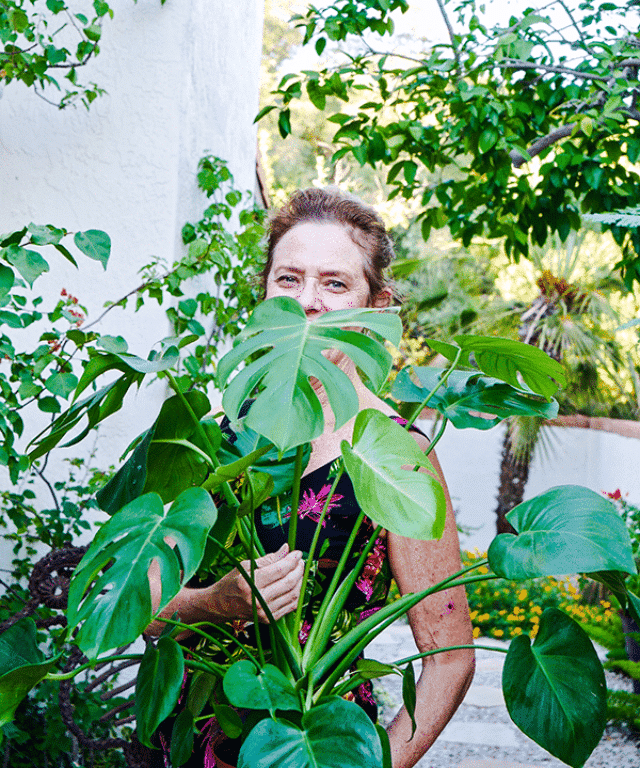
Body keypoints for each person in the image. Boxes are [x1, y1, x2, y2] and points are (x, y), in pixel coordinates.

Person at [146, 187, 475, 768]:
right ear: (266, 295)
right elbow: (140, 609)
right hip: (191, 735)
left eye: (335, 282)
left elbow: (450, 657)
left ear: (376, 306)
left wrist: (380, 762)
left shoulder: (399, 453)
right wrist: (210, 603)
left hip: (324, 737)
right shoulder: (214, 438)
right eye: (289, 279)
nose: (309, 302)